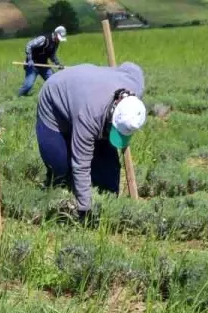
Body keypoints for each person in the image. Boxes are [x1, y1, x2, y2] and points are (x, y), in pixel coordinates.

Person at [35, 63, 147, 217]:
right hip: (55, 103)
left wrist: (113, 72)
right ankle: (57, 187)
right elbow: (81, 163)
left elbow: (132, 67)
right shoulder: (89, 116)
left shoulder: (135, 89)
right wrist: (85, 210)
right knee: (60, 166)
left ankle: (105, 199)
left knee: (108, 177)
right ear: (112, 115)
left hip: (88, 94)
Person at [19, 26, 67, 97]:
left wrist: (58, 64)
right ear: (56, 34)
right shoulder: (43, 39)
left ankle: (53, 96)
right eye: (59, 37)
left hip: (44, 65)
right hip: (32, 65)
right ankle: (19, 96)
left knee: (54, 81)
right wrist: (29, 59)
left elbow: (52, 55)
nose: (59, 40)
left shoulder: (56, 43)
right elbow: (29, 45)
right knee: (28, 86)